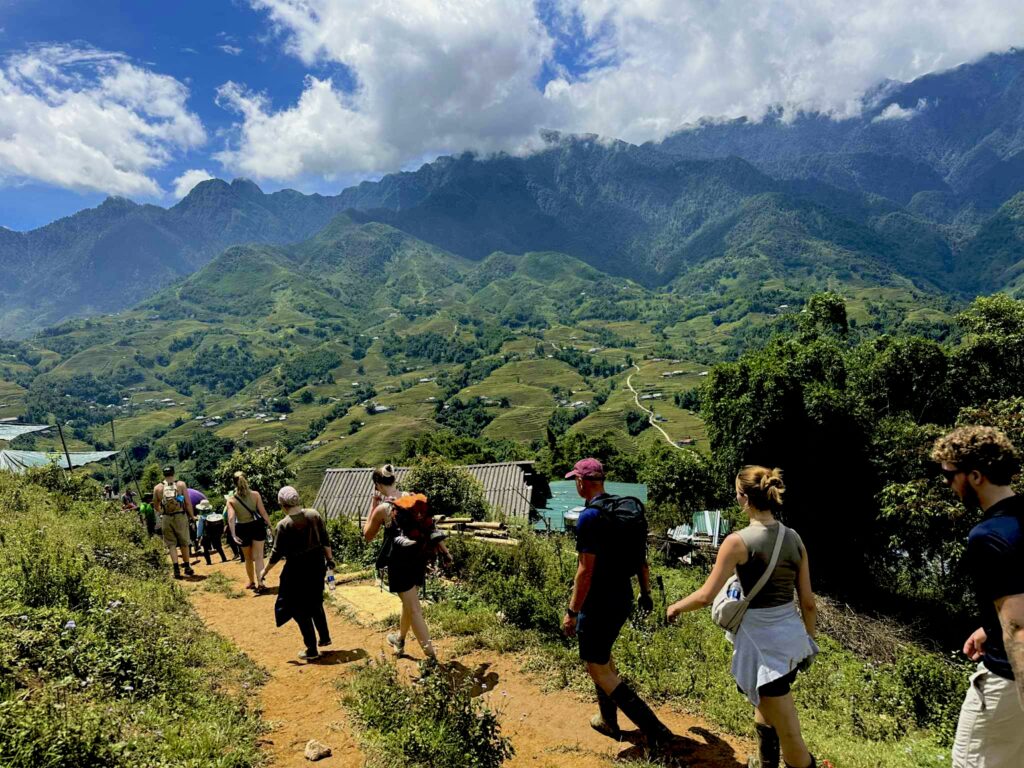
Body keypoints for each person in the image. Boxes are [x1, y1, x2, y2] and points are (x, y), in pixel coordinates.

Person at [666, 466, 819, 768]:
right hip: (792, 641)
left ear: (745, 499)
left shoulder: (737, 542)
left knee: (792, 736)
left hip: (763, 647)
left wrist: (677, 607)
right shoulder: (794, 538)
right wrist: (809, 641)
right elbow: (808, 602)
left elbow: (706, 595)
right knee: (766, 705)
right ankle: (765, 763)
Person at [561, 458, 673, 751]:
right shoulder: (624, 510)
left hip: (598, 602)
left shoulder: (590, 518)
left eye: (576, 479)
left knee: (597, 668)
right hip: (623, 596)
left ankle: (655, 729)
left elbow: (585, 571)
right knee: (603, 659)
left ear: (582, 483)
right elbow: (641, 559)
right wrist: (645, 593)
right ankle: (607, 719)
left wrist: (572, 612)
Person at [932, 426, 1024, 767]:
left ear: (975, 475)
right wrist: (990, 625)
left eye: (949, 475)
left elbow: (1018, 630)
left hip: (1007, 686)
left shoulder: (988, 537)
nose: (947, 484)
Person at [362, 464, 446, 676]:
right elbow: (430, 526)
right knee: (409, 602)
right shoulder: (411, 498)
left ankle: (432, 659)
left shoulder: (384, 508)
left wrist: (373, 505)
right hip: (418, 557)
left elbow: (367, 535)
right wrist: (444, 550)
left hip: (399, 562)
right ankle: (399, 640)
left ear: (378, 485)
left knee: (414, 608)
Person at [260, 486, 333, 661]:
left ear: (282, 505)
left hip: (297, 570)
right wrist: (330, 560)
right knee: (315, 600)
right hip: (316, 565)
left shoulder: (284, 525)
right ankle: (324, 637)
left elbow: (276, 553)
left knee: (300, 609)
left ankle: (312, 649)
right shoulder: (314, 515)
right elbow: (325, 539)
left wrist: (265, 571)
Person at [226, 471, 273, 593]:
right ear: (246, 480)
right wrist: (270, 526)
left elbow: (231, 518)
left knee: (247, 558)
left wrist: (233, 534)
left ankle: (252, 582)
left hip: (242, 528)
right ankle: (261, 583)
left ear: (234, 483)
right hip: (257, 526)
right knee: (259, 557)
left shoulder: (231, 500)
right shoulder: (255, 495)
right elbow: (263, 512)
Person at [153, 466, 195, 580]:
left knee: (171, 544)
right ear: (173, 473)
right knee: (184, 542)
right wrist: (192, 516)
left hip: (167, 517)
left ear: (164, 474)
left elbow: (155, 504)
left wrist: (162, 512)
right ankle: (187, 567)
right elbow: (187, 502)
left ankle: (176, 569)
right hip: (180, 516)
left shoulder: (158, 488)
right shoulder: (181, 485)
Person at [196, 499, 229, 565]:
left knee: (205, 549)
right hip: (215, 533)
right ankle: (224, 558)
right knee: (219, 547)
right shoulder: (214, 514)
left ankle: (209, 562)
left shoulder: (202, 517)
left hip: (206, 535)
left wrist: (198, 536)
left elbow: (200, 528)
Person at [188, 488, 208, 559]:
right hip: (193, 519)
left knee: (190, 535)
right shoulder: (196, 497)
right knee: (193, 534)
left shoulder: (181, 498)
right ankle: (196, 547)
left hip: (187, 521)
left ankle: (190, 551)